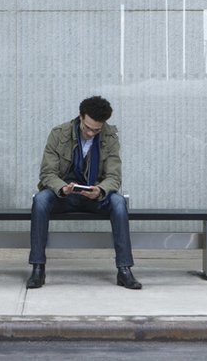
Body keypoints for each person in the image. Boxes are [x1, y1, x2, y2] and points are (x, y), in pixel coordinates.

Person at [27, 95, 140, 290]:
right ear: (80, 117)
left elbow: (114, 176)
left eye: (96, 130)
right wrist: (62, 188)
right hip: (64, 194)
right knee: (41, 200)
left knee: (119, 202)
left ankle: (124, 270)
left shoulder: (109, 137)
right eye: (87, 127)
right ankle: (38, 268)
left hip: (94, 195)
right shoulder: (58, 134)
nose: (90, 133)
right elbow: (47, 173)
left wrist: (101, 190)